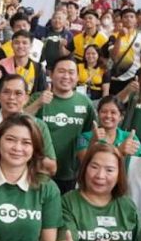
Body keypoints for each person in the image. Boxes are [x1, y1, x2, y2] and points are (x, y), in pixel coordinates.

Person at [33, 56, 96, 193]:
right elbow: (18, 121)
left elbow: (89, 135)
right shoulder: (38, 98)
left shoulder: (85, 103)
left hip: (70, 173)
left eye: (71, 72)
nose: (66, 76)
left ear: (77, 76)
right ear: (51, 74)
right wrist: (38, 104)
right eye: (61, 71)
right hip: (39, 170)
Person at [75, 97, 141, 167]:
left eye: (113, 112)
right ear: (98, 114)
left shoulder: (130, 138)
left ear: (121, 117)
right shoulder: (84, 137)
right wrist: (94, 141)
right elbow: (84, 162)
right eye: (104, 112)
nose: (108, 116)